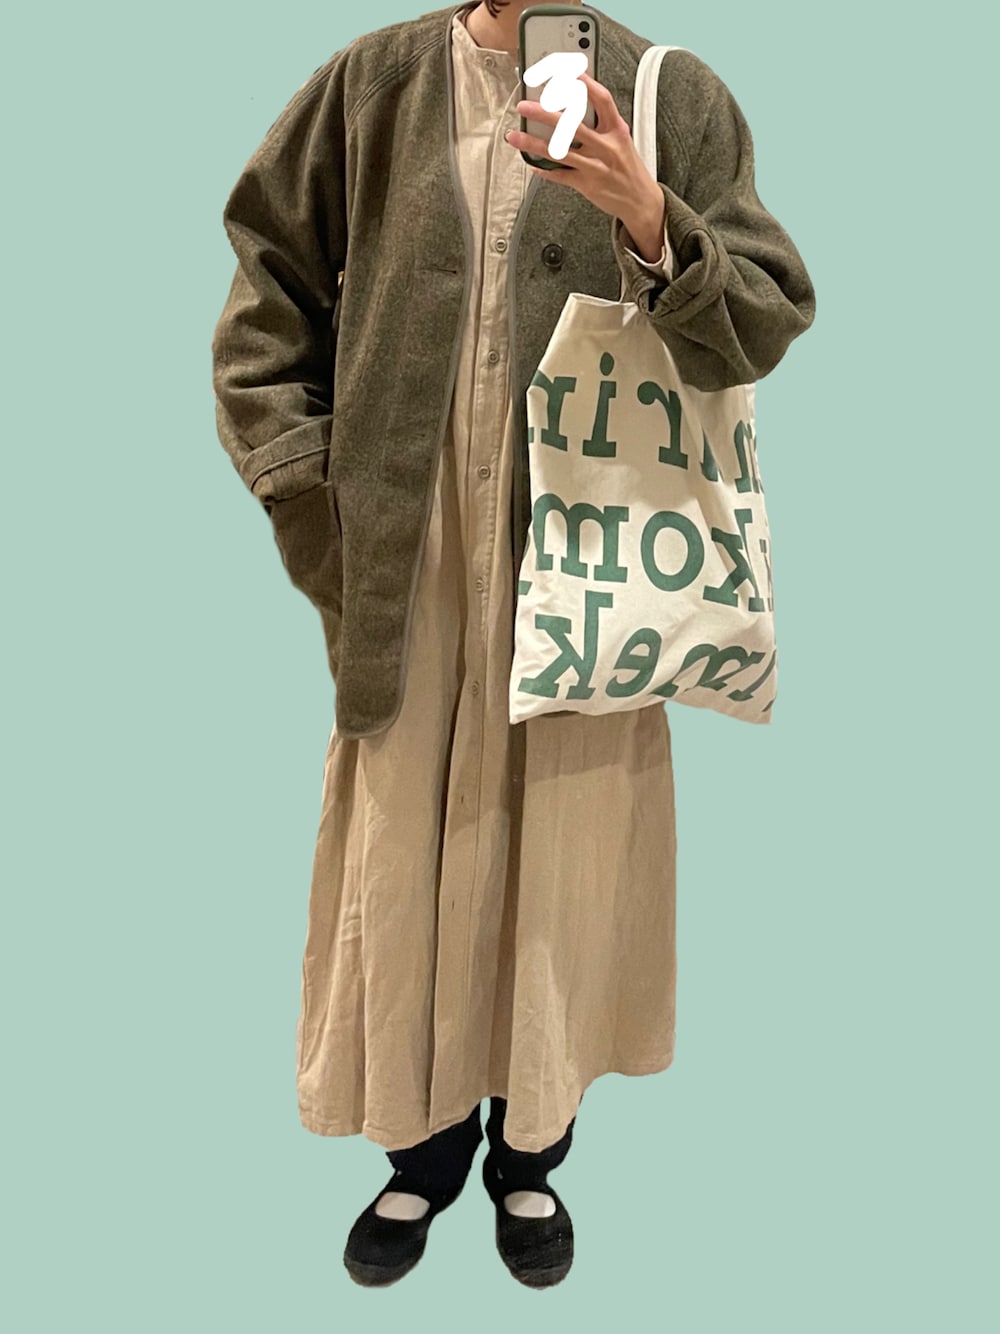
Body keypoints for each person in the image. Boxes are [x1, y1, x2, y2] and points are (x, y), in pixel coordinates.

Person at [210, 0, 816, 1291]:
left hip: (590, 564)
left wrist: (651, 220)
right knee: (408, 854)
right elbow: (268, 286)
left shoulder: (669, 94)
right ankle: (422, 1148)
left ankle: (533, 1147)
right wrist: (309, 493)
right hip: (411, 563)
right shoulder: (369, 87)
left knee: (565, 861)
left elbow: (766, 317)